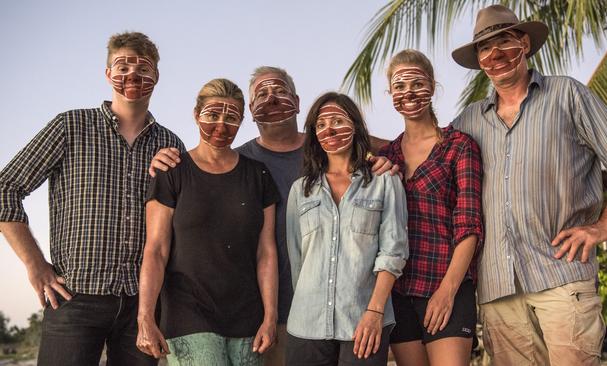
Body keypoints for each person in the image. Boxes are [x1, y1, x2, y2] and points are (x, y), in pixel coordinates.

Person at [148, 66, 397, 365]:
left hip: (340, 307)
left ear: (297, 99)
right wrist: (168, 158)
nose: (272, 99)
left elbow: (361, 139)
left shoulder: (325, 148)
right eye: (261, 95)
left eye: (280, 91)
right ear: (251, 112)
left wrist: (393, 157)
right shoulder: (240, 160)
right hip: (269, 312)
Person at [450, 5, 607, 365]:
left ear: (524, 44)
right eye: (484, 49)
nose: (495, 56)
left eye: (504, 43)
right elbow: (430, 165)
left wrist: (606, 225)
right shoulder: (467, 121)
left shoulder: (567, 95)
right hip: (498, 288)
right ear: (479, 60)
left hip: (562, 276)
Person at [0, 32, 183, 365]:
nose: (132, 75)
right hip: (74, 299)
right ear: (107, 73)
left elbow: (182, 221)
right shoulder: (70, 126)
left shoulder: (170, 143)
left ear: (156, 77)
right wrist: (35, 264)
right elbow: (6, 188)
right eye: (122, 65)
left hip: (142, 305)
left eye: (143, 68)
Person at [136, 78, 279, 365]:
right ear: (196, 114)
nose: (221, 126)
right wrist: (146, 316)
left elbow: (266, 251)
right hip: (188, 313)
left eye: (232, 117)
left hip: (247, 316)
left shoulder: (258, 175)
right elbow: (155, 250)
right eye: (212, 115)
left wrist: (270, 316)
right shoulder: (172, 171)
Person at [285, 92, 408, 365]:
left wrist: (375, 312)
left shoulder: (384, 182)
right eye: (320, 124)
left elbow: (394, 251)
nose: (329, 129)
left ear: (355, 126)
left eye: (338, 120)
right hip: (306, 324)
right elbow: (296, 258)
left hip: (364, 321)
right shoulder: (301, 190)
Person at [379, 49, 484, 366]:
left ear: (433, 86)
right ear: (390, 93)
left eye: (416, 83)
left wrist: (447, 291)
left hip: (446, 284)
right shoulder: (388, 156)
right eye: (399, 86)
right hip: (399, 293)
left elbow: (469, 226)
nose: (408, 92)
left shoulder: (459, 146)